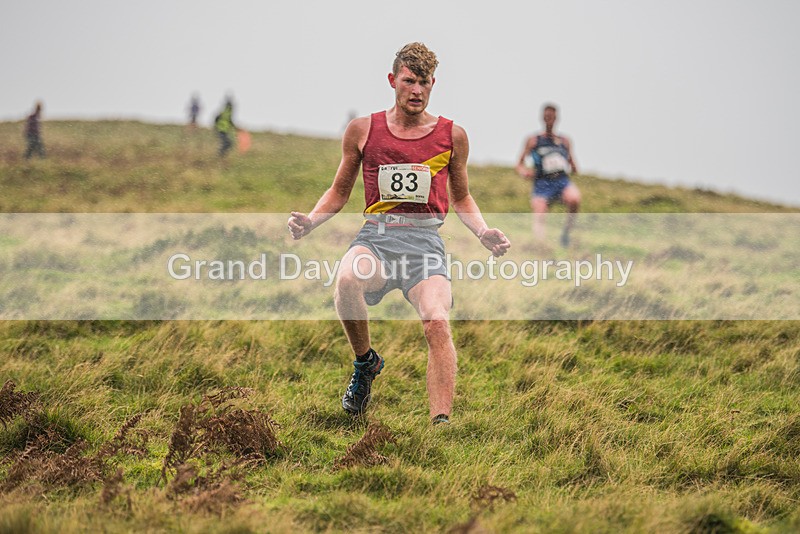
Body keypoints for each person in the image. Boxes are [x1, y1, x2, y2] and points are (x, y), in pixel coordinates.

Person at [288, 42, 510, 425]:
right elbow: (339, 192)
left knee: (437, 321)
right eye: (409, 81)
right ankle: (365, 364)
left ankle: (441, 424)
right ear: (393, 80)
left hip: (425, 244)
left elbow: (462, 197)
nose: (417, 90)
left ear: (433, 84)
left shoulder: (452, 135)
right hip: (377, 236)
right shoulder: (362, 130)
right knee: (346, 280)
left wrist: (482, 230)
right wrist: (310, 220)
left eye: (424, 82)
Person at [516, 103, 581, 247]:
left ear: (556, 118)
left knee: (574, 198)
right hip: (542, 183)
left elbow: (573, 163)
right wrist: (524, 172)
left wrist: (572, 167)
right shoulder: (534, 140)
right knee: (539, 214)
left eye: (552, 117)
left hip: (561, 180)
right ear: (543, 118)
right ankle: (541, 247)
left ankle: (566, 233)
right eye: (547, 117)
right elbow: (519, 164)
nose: (549, 119)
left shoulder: (564, 141)